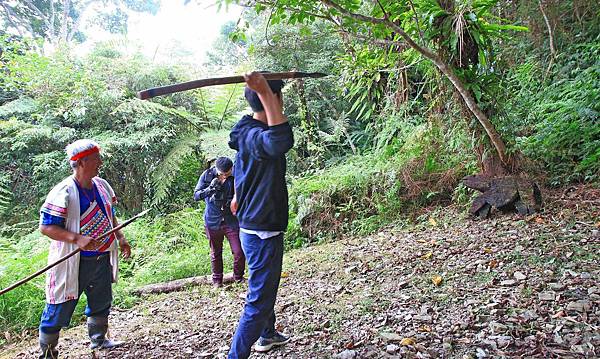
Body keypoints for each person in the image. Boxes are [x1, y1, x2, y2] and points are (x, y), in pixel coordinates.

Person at [37, 139, 131, 358]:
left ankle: (99, 340)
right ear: (81, 162)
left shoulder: (102, 185)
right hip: (73, 261)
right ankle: (48, 353)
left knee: (101, 299)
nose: (100, 162)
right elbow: (46, 227)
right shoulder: (64, 192)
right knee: (59, 306)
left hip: (101, 257)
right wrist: (76, 238)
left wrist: (121, 237)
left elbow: (110, 215)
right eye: (96, 158)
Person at [227, 71, 294, 358]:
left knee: (264, 286)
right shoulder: (259, 138)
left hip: (253, 223)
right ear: (275, 99)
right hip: (262, 229)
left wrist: (237, 195)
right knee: (259, 299)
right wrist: (266, 92)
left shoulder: (244, 130)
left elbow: (245, 169)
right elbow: (280, 140)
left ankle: (267, 334)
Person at [193, 156, 244, 287]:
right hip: (212, 220)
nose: (225, 176)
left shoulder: (237, 174)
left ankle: (238, 277)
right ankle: (217, 281)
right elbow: (196, 195)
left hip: (230, 220)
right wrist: (210, 189)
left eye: (227, 173)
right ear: (217, 169)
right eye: (222, 174)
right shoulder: (208, 175)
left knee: (238, 251)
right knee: (216, 252)